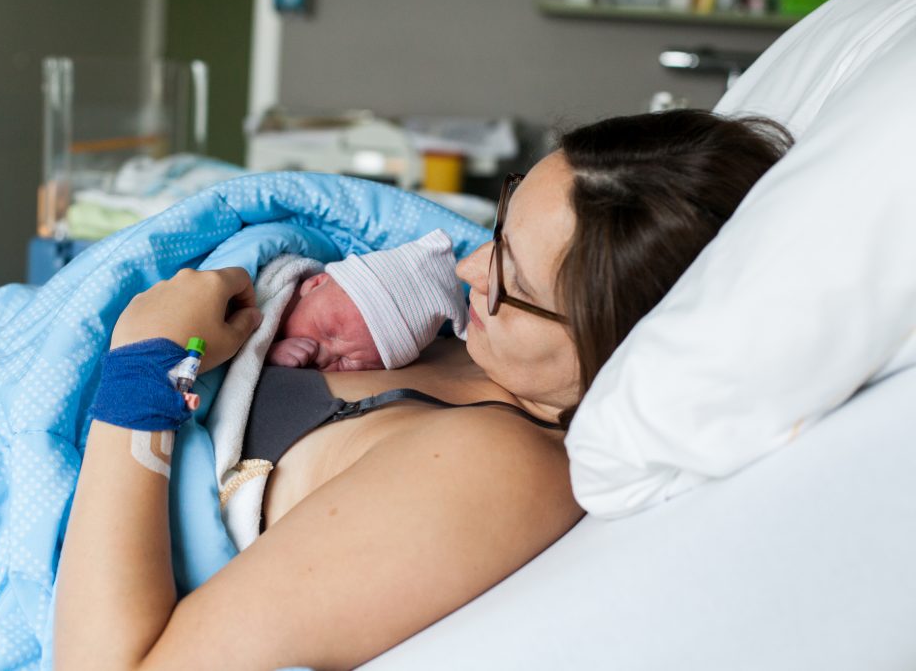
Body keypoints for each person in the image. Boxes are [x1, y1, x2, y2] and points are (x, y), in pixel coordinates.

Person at [55, 109, 793, 670]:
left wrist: (145, 360)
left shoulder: (498, 467)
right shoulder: (486, 351)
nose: (473, 272)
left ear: (620, 342)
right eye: (500, 231)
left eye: (516, 282)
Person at [265, 228, 468, 372]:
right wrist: (263, 350)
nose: (323, 357)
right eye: (327, 331)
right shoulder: (268, 286)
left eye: (345, 362)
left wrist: (266, 355)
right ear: (315, 283)